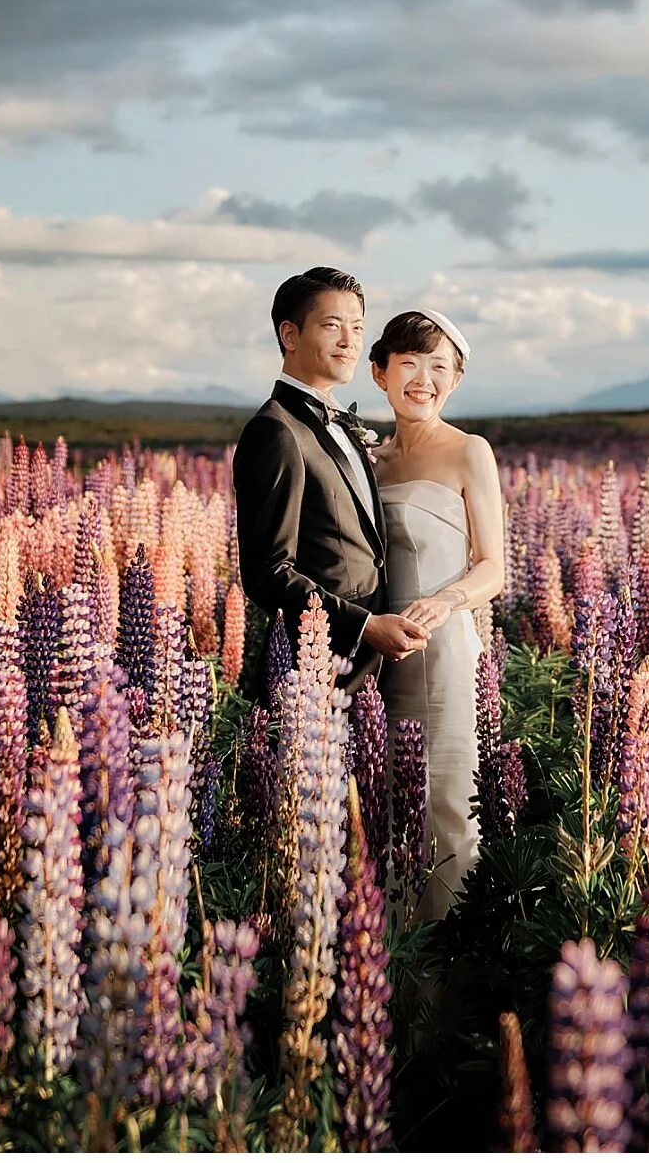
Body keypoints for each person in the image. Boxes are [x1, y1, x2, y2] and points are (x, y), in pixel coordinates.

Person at [232, 267, 429, 697]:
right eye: (332, 325)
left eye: (357, 327)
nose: (349, 341)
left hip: (374, 673)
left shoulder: (343, 423)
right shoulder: (276, 430)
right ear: (290, 334)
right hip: (313, 676)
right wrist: (364, 625)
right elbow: (267, 573)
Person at [367, 308, 505, 921]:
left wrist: (447, 601)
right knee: (383, 803)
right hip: (374, 651)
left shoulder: (470, 451)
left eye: (439, 368)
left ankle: (447, 955)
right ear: (380, 373)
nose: (423, 380)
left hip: (444, 651)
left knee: (448, 801)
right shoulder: (368, 459)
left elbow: (492, 567)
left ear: (456, 379)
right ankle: (391, 952)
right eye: (409, 364)